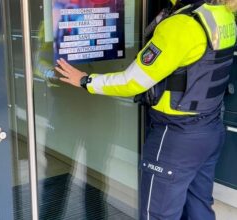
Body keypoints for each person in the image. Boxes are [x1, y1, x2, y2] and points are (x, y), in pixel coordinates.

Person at [55, 0, 237, 219]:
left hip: (175, 138)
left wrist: (85, 80)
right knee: (199, 209)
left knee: (157, 214)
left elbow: (132, 81)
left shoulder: (181, 25)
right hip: (209, 129)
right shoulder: (222, 16)